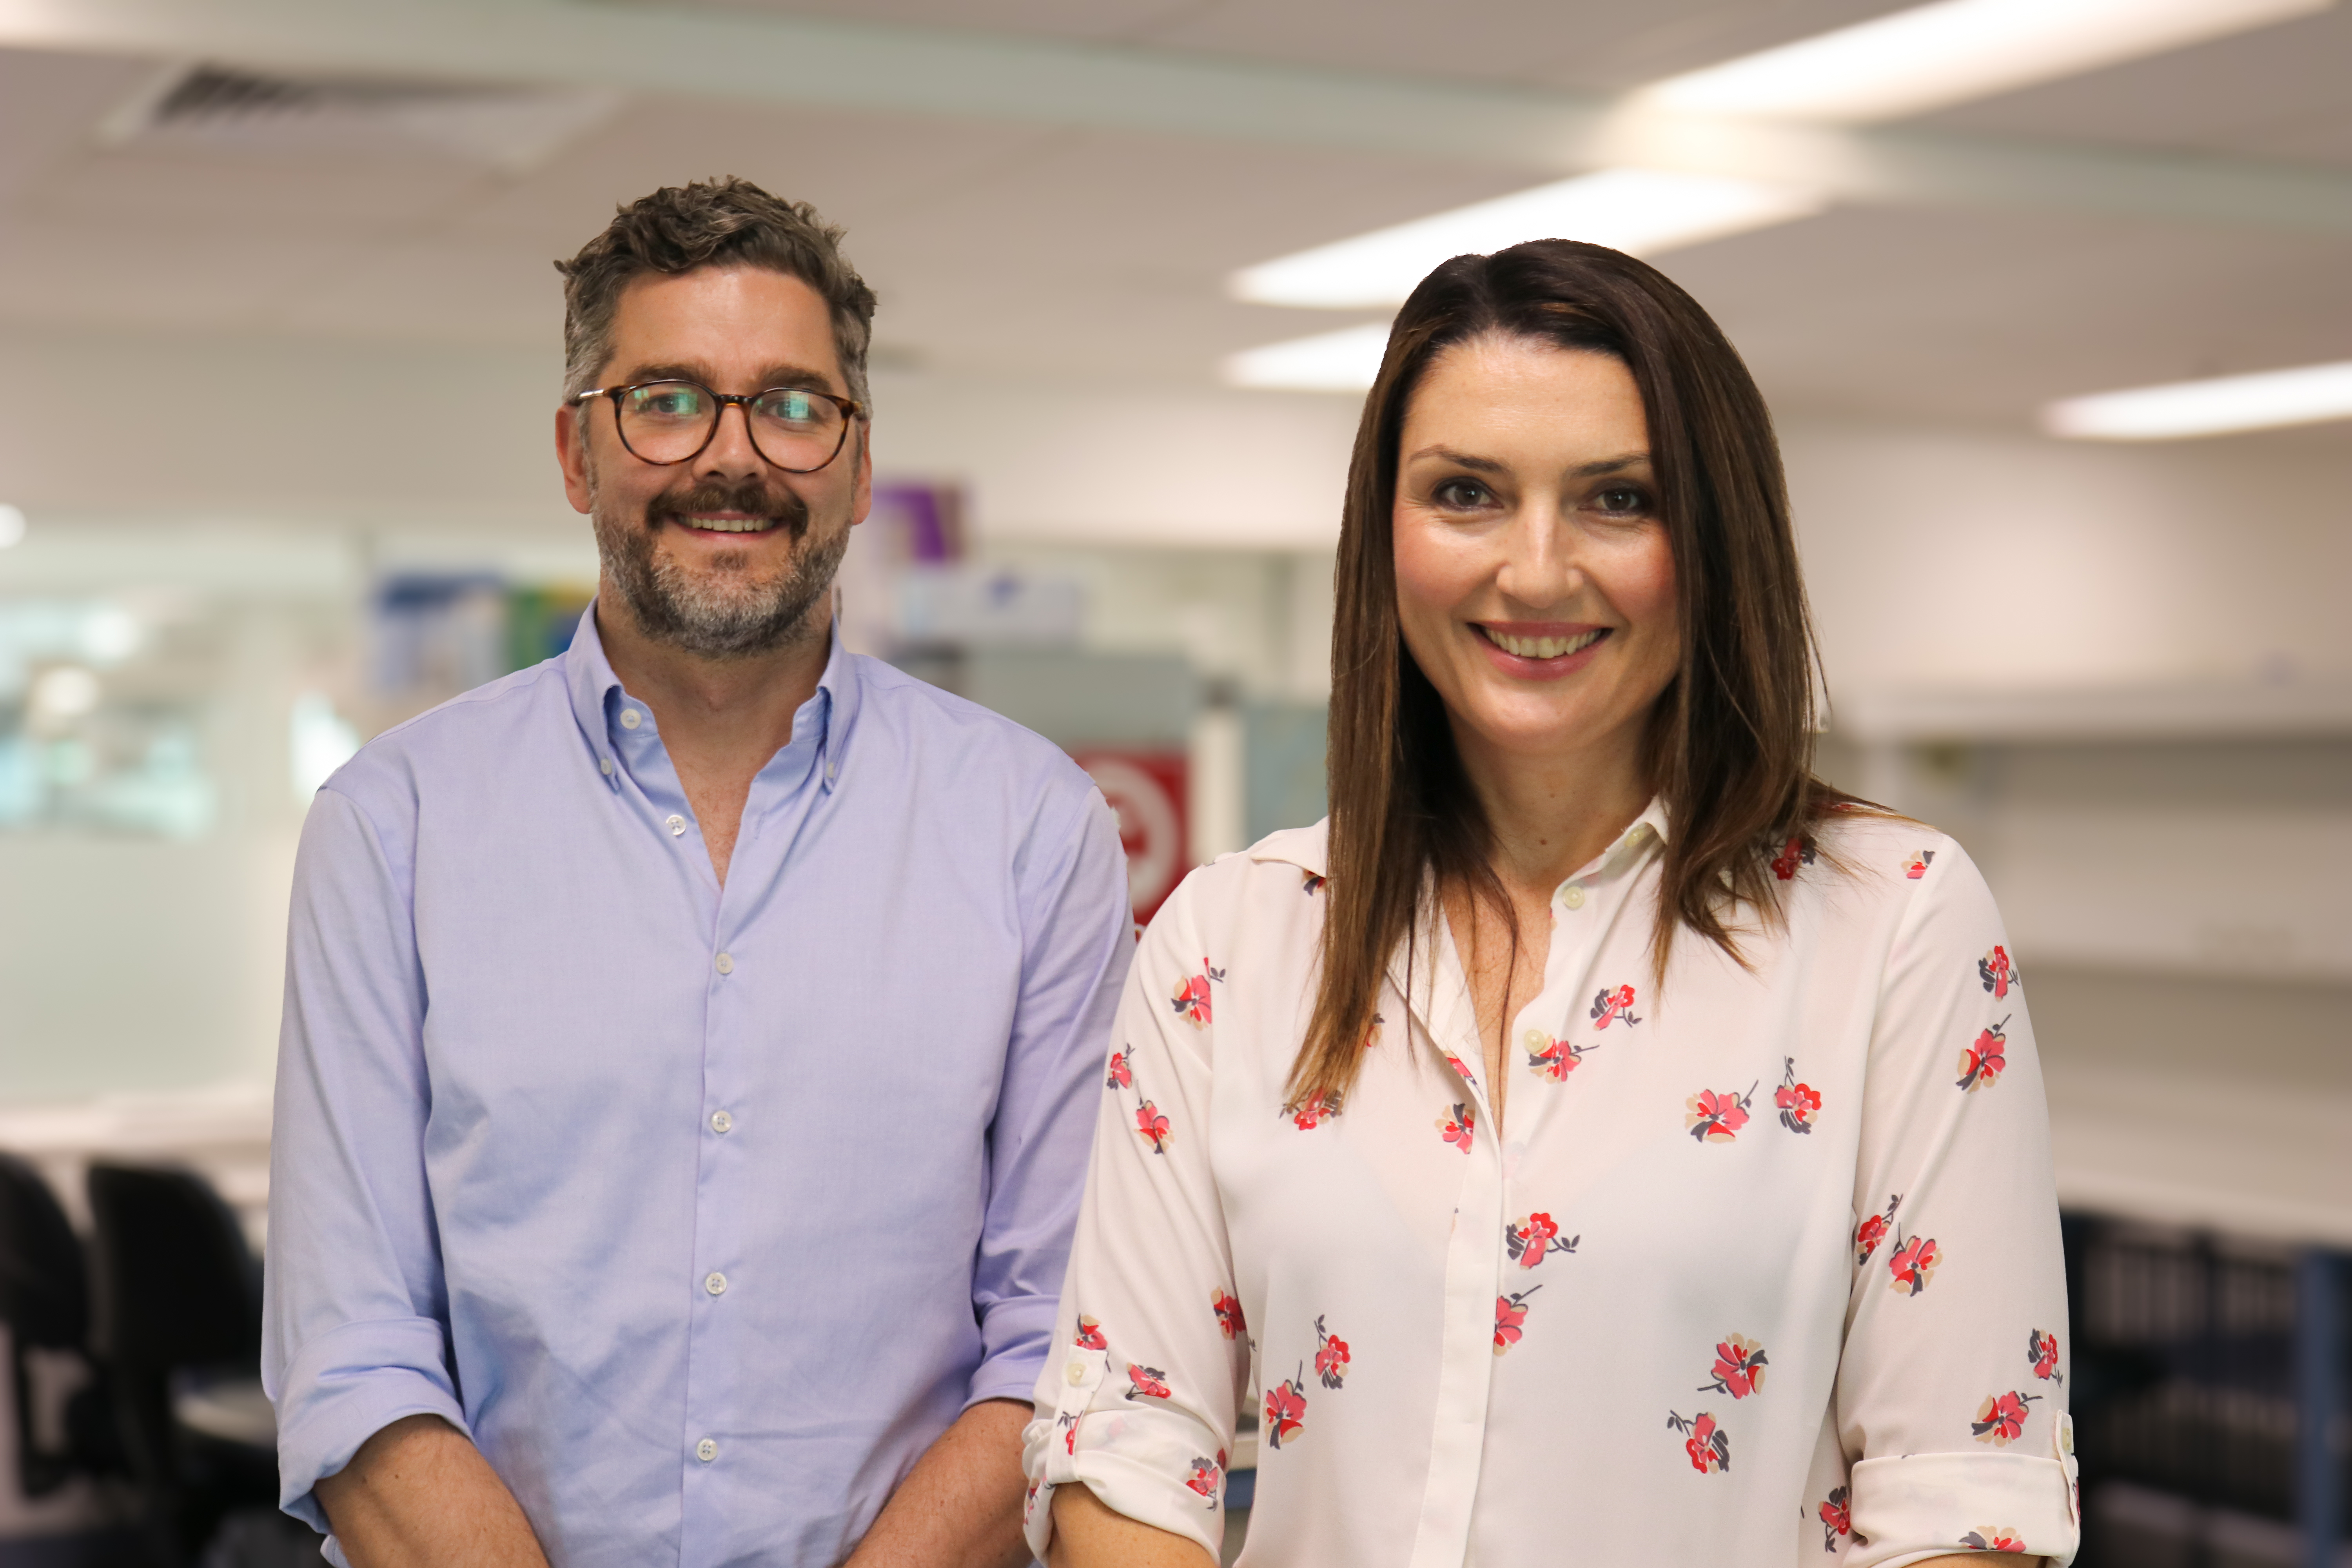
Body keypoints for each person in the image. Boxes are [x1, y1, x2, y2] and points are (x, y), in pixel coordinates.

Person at [1024, 240, 2077, 1568]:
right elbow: (1124, 1441)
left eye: (1618, 500)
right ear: (1383, 531)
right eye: (1466, 492)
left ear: (1714, 538)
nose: (1534, 571)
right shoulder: (1232, 942)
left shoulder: (1896, 924)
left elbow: (1964, 1501)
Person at [263, 178, 1134, 1568]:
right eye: (667, 399)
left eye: (792, 406)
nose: (734, 459)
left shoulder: (1032, 828)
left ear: (854, 465)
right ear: (576, 453)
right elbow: (351, 1349)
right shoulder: (394, 826)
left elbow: (1063, 1340)